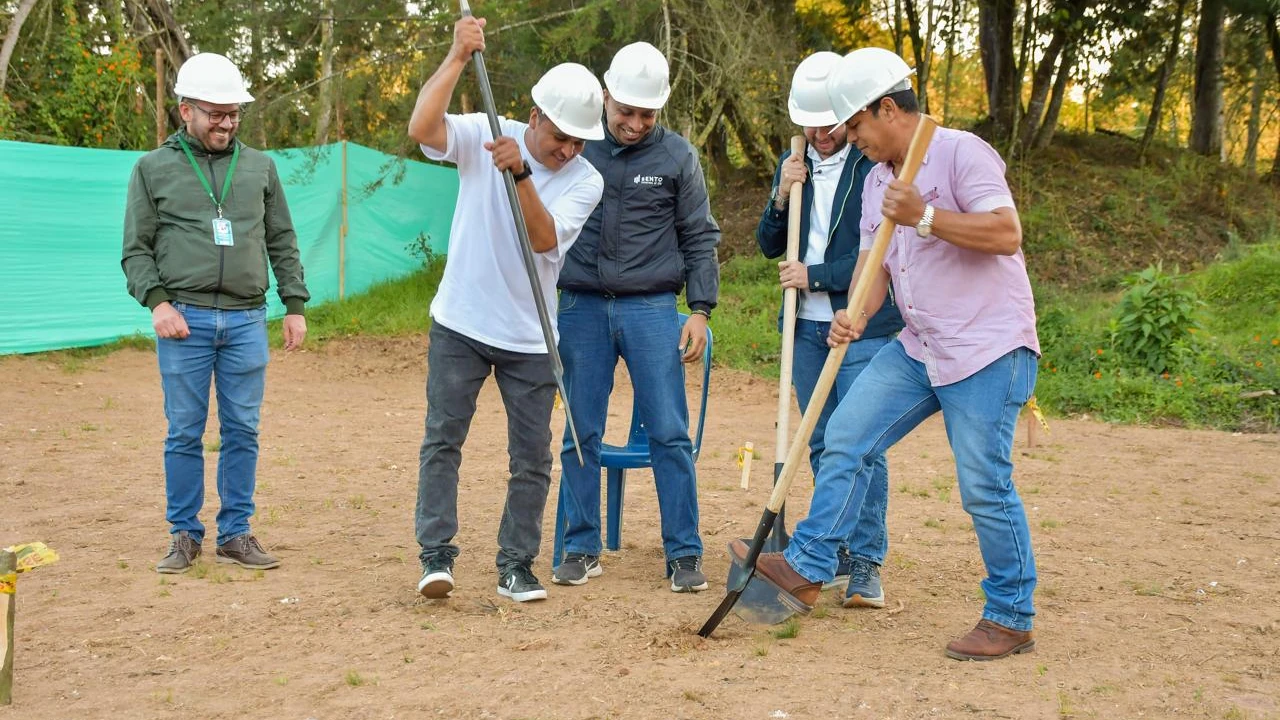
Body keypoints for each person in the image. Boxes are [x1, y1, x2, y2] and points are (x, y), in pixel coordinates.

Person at [733, 47, 1041, 661]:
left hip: (987, 349)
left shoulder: (961, 152)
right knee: (845, 435)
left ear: (888, 108)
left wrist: (926, 215)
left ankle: (1011, 616)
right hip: (918, 346)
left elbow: (1007, 234)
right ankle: (810, 564)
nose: (852, 138)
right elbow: (879, 264)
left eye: (856, 125)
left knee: (983, 484)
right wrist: (858, 311)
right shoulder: (879, 176)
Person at [407, 16, 605, 604]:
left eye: (579, 141)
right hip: (460, 323)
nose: (568, 149)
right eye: (559, 136)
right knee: (443, 439)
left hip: (531, 336)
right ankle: (436, 557)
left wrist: (521, 171)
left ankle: (516, 565)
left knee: (532, 457)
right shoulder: (486, 132)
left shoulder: (585, 180)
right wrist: (457, 58)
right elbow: (422, 125)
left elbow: (543, 240)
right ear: (535, 115)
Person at [122, 53, 309, 575]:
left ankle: (236, 533)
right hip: (184, 319)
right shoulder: (152, 168)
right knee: (184, 431)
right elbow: (135, 249)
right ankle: (184, 533)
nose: (226, 123)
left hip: (248, 320)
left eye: (233, 114)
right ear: (186, 111)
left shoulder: (260, 168)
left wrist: (294, 304)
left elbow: (282, 240)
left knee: (243, 430)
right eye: (215, 113)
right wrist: (157, 302)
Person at [552, 41, 720, 593]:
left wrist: (698, 309)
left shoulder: (678, 158)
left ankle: (684, 553)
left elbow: (699, 235)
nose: (635, 123)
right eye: (626, 111)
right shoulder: (574, 148)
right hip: (580, 306)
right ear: (606, 97)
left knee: (669, 432)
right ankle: (581, 547)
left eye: (647, 114)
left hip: (652, 310)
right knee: (582, 431)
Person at [755, 51, 904, 609]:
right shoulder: (792, 160)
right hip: (805, 329)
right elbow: (770, 244)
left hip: (863, 325)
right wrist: (780, 195)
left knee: (861, 444)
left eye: (831, 123)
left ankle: (865, 563)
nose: (819, 134)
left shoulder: (874, 162)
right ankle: (833, 550)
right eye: (809, 123)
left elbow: (880, 256)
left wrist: (813, 275)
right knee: (819, 442)